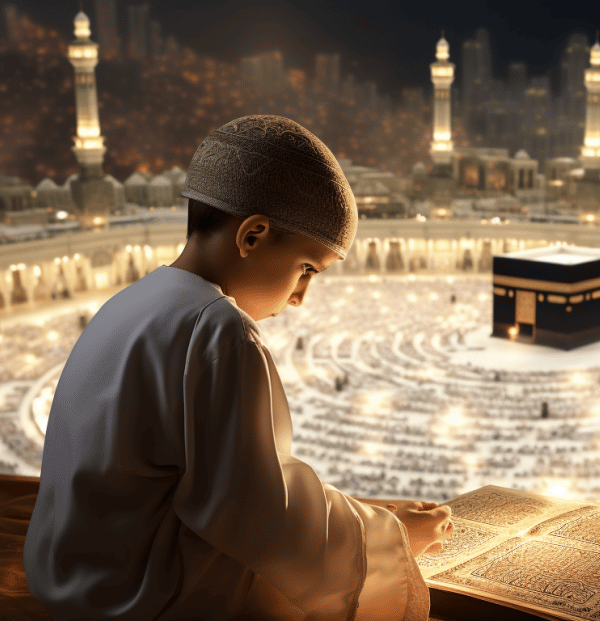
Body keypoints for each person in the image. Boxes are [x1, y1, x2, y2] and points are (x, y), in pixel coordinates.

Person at [24, 115, 453, 621]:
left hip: (68, 582)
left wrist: (371, 519)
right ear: (251, 236)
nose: (300, 297)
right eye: (306, 269)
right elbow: (263, 519)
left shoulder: (132, 304)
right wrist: (390, 538)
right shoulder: (216, 328)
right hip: (139, 601)